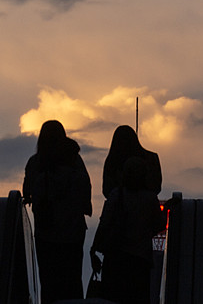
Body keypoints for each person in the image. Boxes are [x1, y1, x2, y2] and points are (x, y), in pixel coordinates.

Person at [22, 120, 92, 304]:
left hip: (46, 231)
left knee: (49, 281)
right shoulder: (75, 162)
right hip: (73, 231)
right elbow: (86, 188)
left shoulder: (35, 163)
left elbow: (26, 191)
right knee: (72, 279)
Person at [91, 156, 165, 304]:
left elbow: (104, 223)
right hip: (140, 260)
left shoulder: (116, 195)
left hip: (115, 258)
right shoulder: (150, 199)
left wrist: (94, 249)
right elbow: (159, 225)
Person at [102, 124, 162, 199]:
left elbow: (107, 191)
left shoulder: (111, 162)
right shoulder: (152, 158)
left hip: (120, 207)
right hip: (146, 206)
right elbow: (156, 186)